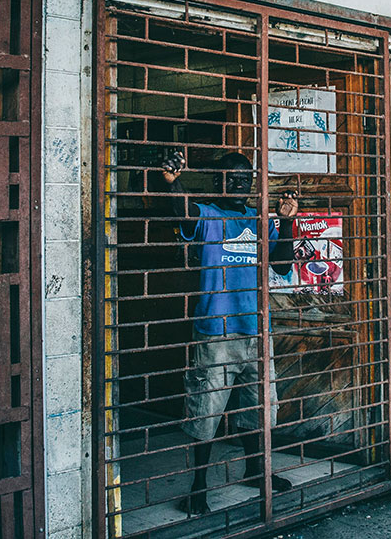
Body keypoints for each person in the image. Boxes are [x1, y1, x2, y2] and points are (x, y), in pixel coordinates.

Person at [160, 150, 296, 515]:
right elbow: (185, 213)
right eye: (231, 177)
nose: (239, 183)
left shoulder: (260, 219)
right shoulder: (208, 215)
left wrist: (286, 222)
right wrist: (174, 184)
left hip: (255, 331)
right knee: (206, 411)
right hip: (216, 332)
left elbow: (282, 264)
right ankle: (198, 486)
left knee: (258, 407)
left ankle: (257, 470)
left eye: (245, 177)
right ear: (217, 181)